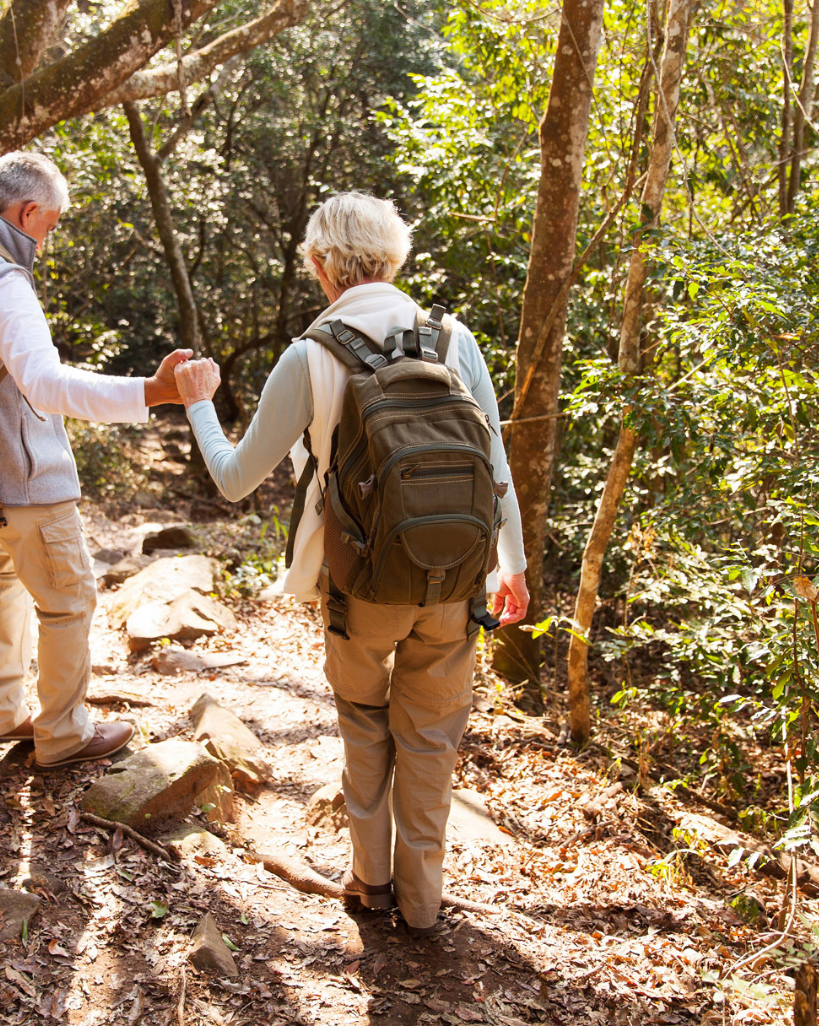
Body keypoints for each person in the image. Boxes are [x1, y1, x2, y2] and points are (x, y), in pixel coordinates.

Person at [173, 192, 529, 936]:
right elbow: (494, 461)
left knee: (365, 725)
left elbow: (235, 479)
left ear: (319, 264)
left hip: (360, 586)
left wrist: (198, 402)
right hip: (456, 581)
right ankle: (424, 904)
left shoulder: (312, 355)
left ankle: (370, 883)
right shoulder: (453, 340)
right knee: (431, 739)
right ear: (395, 258)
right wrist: (512, 566)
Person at [0, 151, 191, 768]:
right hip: (19, 483)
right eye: (51, 223)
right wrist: (152, 390)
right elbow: (46, 384)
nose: (48, 237)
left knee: (7, 575)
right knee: (70, 599)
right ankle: (64, 734)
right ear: (27, 210)